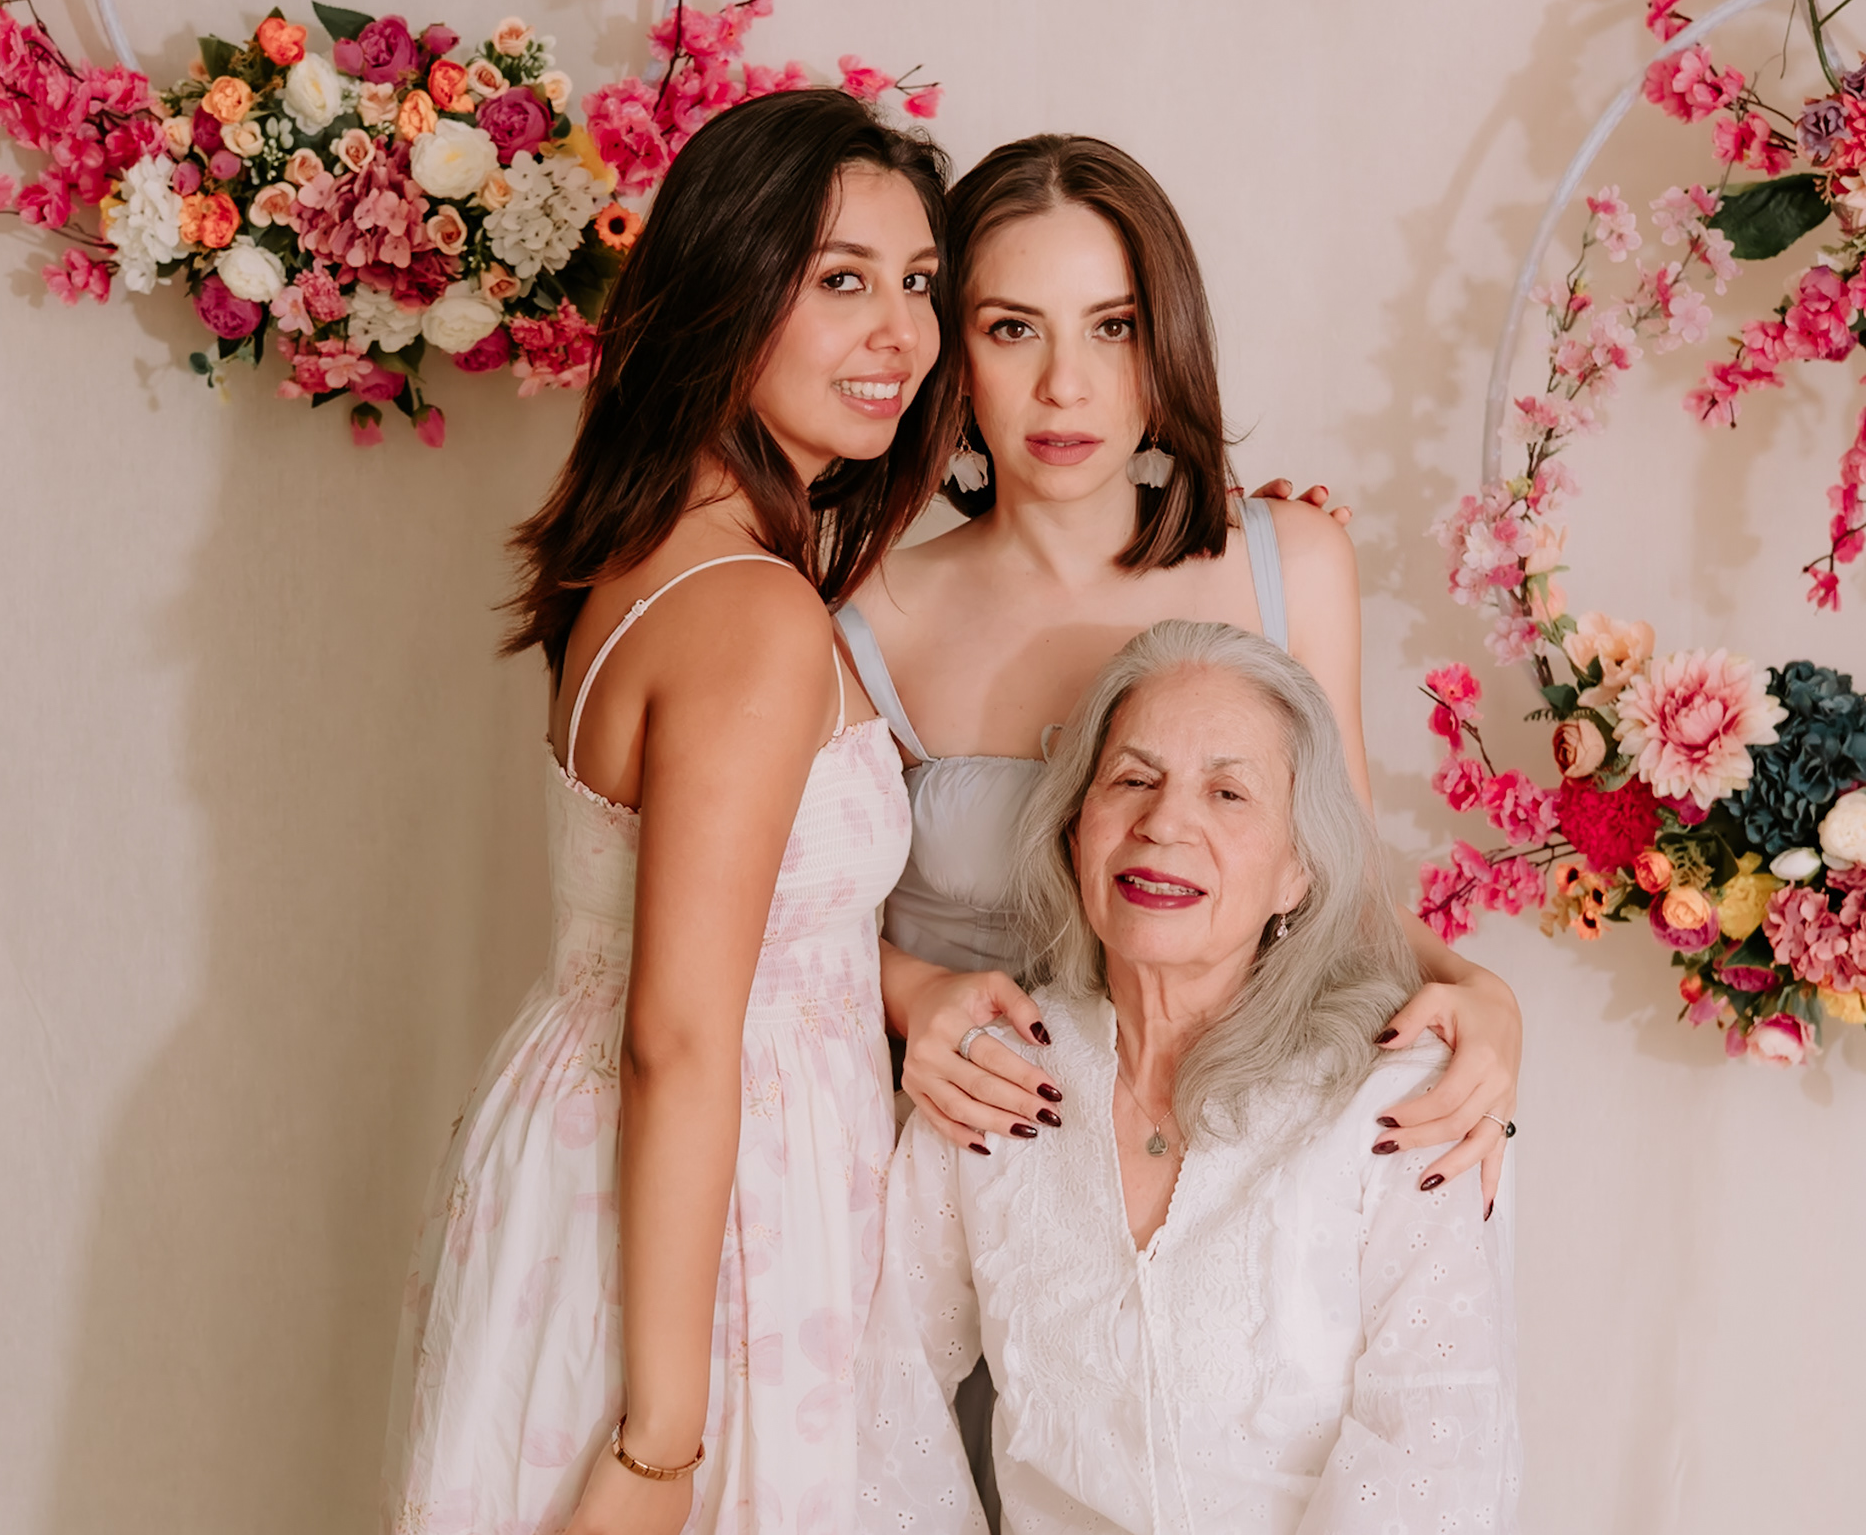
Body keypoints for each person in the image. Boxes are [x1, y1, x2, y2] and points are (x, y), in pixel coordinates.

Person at [383, 90, 958, 1535]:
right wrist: (659, 1448)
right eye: (843, 281)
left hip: (603, 1166)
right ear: (728, 288)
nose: (903, 334)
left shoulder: (649, 550)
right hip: (712, 1208)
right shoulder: (751, 610)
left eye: (920, 283)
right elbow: (681, 1034)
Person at [842, 136, 1521, 1204]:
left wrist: (1481, 990)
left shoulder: (1291, 564)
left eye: (1112, 327)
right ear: (950, 354)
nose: (1065, 386)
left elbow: (1342, 890)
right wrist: (911, 993)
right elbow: (790, 922)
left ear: (1166, 346)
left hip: (1225, 1158)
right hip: (960, 1161)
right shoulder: (865, 615)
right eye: (1013, 328)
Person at [857, 620, 1521, 1534]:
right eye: (1132, 780)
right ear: (1076, 831)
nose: (1164, 823)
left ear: (1297, 872)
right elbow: (882, 1399)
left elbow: (1437, 1448)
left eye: (1228, 792)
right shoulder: (994, 1076)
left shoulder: (1403, 1101)